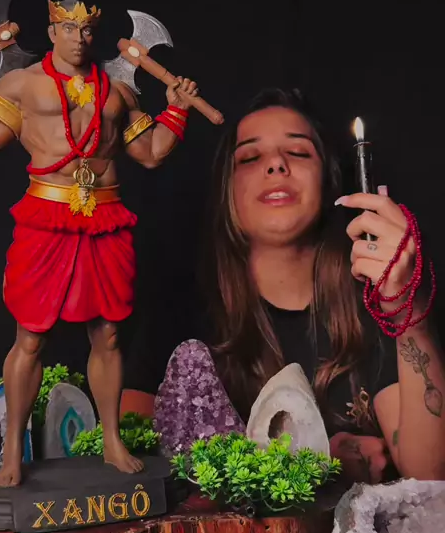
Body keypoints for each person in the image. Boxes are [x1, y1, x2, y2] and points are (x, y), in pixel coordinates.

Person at [154, 88, 445, 483]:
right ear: (227, 191)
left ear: (329, 181)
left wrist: (409, 309)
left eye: (298, 152)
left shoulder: (369, 305)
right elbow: (134, 461)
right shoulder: (182, 311)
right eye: (250, 157)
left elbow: (430, 476)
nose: (276, 164)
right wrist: (317, 463)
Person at [0, 0, 198, 486]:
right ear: (52, 32)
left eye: (86, 30)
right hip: (46, 216)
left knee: (109, 334)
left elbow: (151, 153)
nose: (79, 38)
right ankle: (13, 452)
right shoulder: (22, 84)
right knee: (30, 336)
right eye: (68, 29)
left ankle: (111, 440)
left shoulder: (117, 91)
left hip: (106, 216)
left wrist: (177, 108)